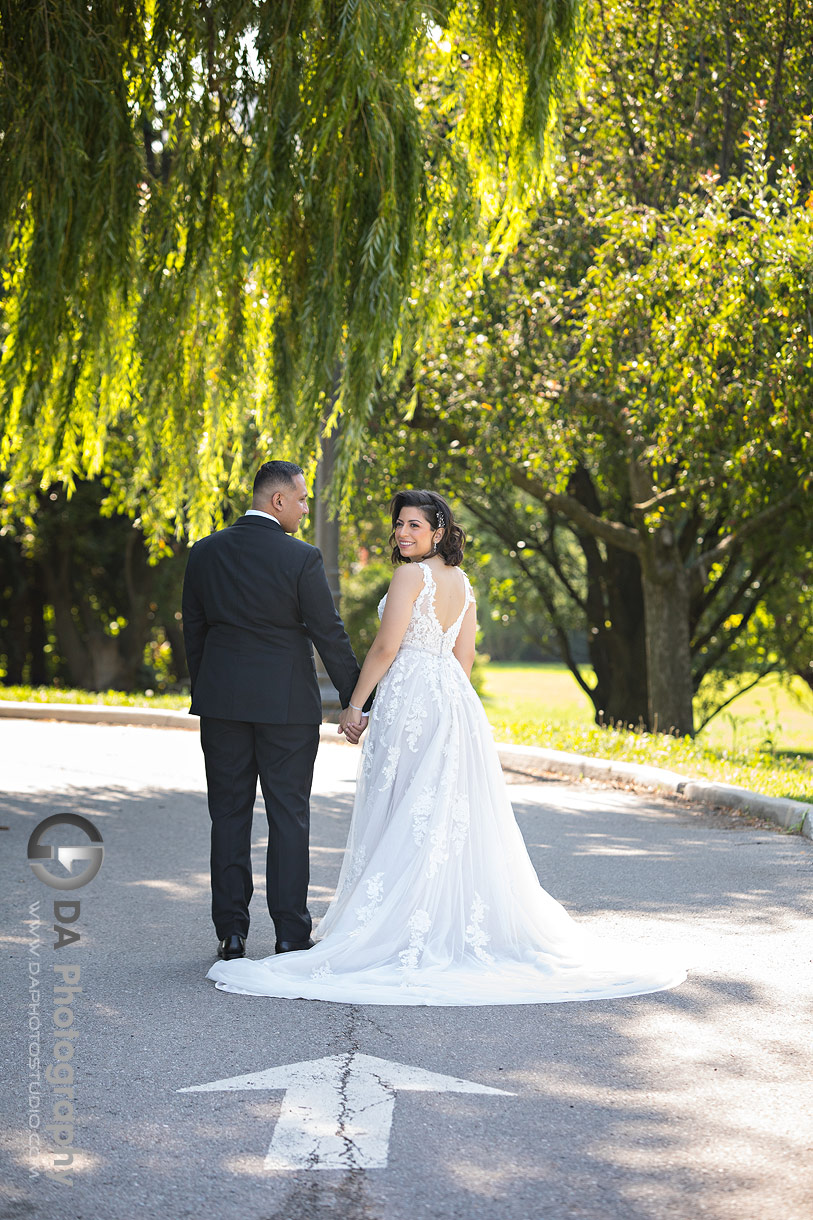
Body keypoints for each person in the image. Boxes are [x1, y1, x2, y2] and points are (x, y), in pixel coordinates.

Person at [206, 489, 686, 1004]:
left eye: (415, 525)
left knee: (406, 809)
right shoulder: (462, 581)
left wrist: (356, 705)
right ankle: (433, 919)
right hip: (451, 700)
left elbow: (387, 646)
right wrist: (445, 702)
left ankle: (401, 923)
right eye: (400, 525)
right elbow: (464, 655)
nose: (404, 534)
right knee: (439, 814)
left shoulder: (411, 575)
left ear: (438, 531)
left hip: (413, 695)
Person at [182, 460, 364, 962]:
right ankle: (289, 932)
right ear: (277, 501)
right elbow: (329, 633)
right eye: (302, 499)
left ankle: (231, 935)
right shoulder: (301, 558)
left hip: (222, 706)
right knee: (289, 817)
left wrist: (210, 690)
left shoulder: (204, 552)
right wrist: (357, 700)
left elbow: (193, 633)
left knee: (229, 816)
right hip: (286, 707)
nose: (307, 508)